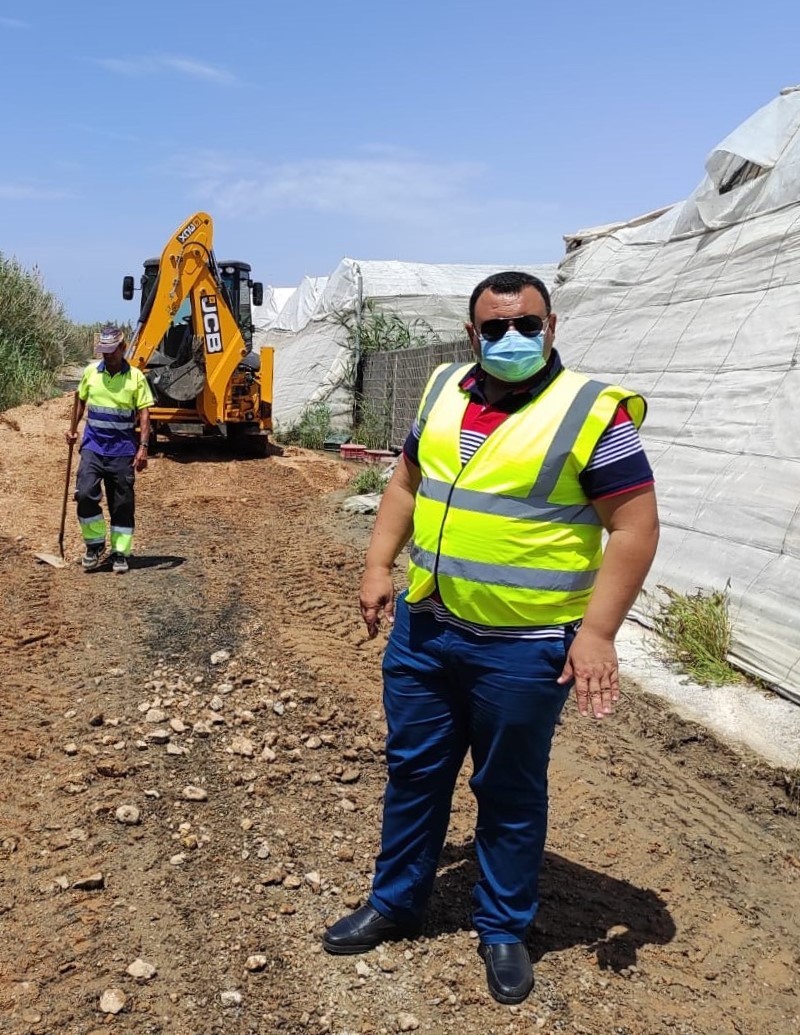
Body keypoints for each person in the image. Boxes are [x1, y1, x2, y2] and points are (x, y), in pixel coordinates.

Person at [323, 272, 660, 1005]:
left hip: (524, 647)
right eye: (497, 328)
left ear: (551, 325)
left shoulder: (591, 413)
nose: (514, 339)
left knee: (507, 788)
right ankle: (396, 901)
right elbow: (408, 480)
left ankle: (503, 927)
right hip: (427, 627)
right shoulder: (445, 386)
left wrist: (598, 632)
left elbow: (634, 526)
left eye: (528, 324)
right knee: (414, 770)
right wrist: (379, 561)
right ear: (473, 335)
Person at [66, 324, 153, 573]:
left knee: (122, 504)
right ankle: (94, 545)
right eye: (103, 351)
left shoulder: (136, 377)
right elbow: (80, 400)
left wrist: (143, 447)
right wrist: (73, 430)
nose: (107, 355)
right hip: (93, 447)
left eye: (112, 350)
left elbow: (144, 414)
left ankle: (120, 553)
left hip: (122, 450)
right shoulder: (91, 373)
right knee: (84, 493)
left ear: (123, 349)